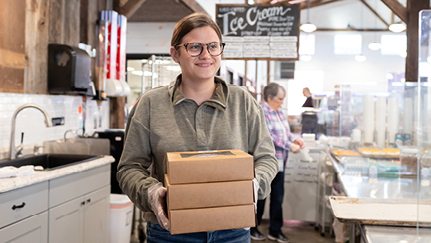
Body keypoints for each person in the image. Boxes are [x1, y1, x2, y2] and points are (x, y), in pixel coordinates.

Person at [117, 13, 278, 243]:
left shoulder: (243, 102)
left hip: (232, 231)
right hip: (170, 232)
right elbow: (129, 168)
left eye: (213, 46)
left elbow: (267, 159)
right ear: (175, 54)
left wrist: (254, 184)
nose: (206, 55)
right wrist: (151, 193)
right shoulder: (150, 104)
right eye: (194, 47)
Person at [250, 83, 304, 243]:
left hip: (280, 164)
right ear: (269, 98)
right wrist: (289, 145)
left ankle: (275, 230)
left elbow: (285, 134)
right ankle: (253, 228)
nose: (282, 102)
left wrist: (295, 139)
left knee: (278, 199)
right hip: (264, 165)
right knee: (260, 198)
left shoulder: (279, 113)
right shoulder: (260, 113)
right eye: (280, 99)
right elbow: (268, 137)